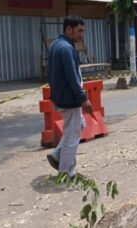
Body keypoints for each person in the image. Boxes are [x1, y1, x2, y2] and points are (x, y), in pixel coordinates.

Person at [46, 16, 92, 177]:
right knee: (73, 136)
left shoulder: (55, 45)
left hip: (60, 96)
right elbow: (72, 76)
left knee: (79, 124)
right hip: (70, 99)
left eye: (83, 31)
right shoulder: (66, 49)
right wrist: (83, 98)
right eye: (79, 31)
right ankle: (65, 172)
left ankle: (57, 153)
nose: (81, 35)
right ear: (68, 29)